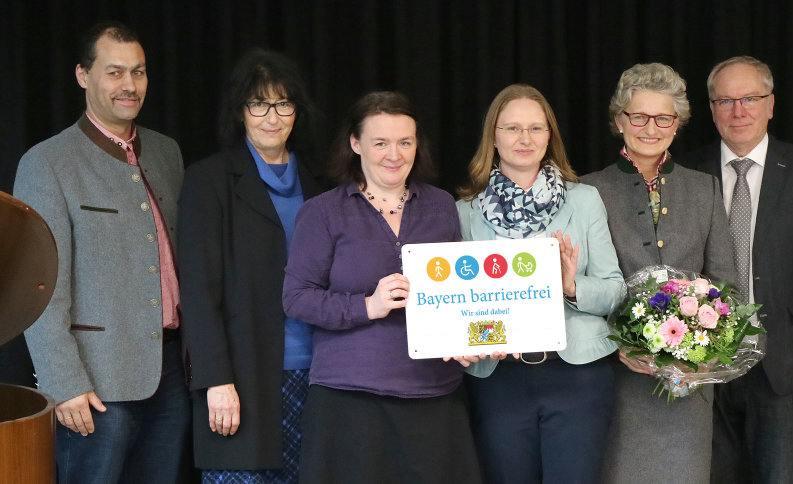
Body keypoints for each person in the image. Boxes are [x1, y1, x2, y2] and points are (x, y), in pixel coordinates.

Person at [13, 21, 190, 483]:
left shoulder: (167, 153)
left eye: (138, 72)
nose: (129, 85)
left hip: (170, 373)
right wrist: (64, 383)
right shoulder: (46, 163)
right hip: (94, 383)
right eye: (114, 72)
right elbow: (38, 285)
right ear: (81, 75)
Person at [282, 91, 482, 483]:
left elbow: (459, 294)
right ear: (355, 144)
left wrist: (467, 337)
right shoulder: (323, 211)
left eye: (405, 142)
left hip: (435, 396)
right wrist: (366, 305)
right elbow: (296, 298)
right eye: (381, 143)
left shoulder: (441, 206)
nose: (395, 154)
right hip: (350, 399)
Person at [682, 55, 793, 484]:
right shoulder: (688, 173)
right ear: (712, 109)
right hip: (705, 366)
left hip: (784, 365)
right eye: (726, 101)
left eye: (750, 99)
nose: (738, 111)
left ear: (770, 105)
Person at [456, 84, 625, 483]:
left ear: (550, 136)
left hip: (576, 375)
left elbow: (615, 290)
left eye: (536, 128)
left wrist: (570, 286)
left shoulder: (584, 200)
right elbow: (463, 306)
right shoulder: (464, 211)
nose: (525, 138)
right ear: (493, 137)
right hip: (498, 379)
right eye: (512, 128)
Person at [579, 63, 735, 484]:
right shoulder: (585, 190)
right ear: (619, 121)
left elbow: (726, 287)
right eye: (638, 116)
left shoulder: (704, 189)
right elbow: (574, 290)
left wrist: (706, 356)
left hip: (690, 388)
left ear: (677, 123)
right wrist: (618, 347)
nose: (651, 127)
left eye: (663, 117)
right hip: (613, 383)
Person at [177, 49, 327, 482]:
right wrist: (214, 380)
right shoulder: (208, 181)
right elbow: (199, 293)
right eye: (258, 104)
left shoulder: (322, 184)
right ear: (240, 111)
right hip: (240, 379)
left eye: (283, 103)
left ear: (297, 111)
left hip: (320, 378)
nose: (272, 116)